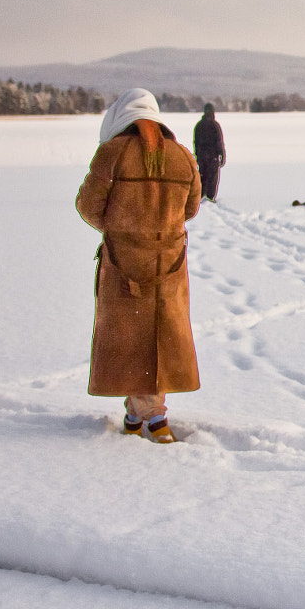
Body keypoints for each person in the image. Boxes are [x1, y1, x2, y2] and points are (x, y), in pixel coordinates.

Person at [77, 89, 203, 444]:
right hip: (170, 261)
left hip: (123, 263)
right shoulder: (182, 155)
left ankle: (151, 417)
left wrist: (121, 227)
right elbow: (190, 208)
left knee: (129, 338)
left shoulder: (111, 153)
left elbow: (88, 206)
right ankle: (138, 413)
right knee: (160, 337)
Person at [193, 104, 226, 201]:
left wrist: (197, 154)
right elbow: (219, 142)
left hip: (202, 156)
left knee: (202, 175)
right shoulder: (215, 125)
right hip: (213, 157)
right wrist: (222, 155)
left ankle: (201, 195)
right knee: (213, 177)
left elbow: (196, 142)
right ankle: (210, 197)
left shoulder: (199, 125)